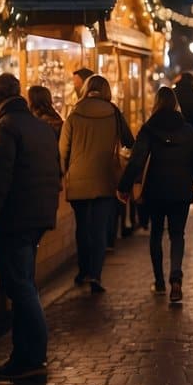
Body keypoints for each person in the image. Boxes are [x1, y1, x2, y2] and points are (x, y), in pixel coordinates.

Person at [0, 73, 62, 378]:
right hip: (38, 214)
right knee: (25, 283)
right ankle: (22, 355)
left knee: (20, 286)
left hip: (16, 217)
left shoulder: (7, 126)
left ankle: (36, 353)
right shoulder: (40, 126)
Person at [118, 87, 193, 303]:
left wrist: (124, 186)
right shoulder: (187, 130)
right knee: (177, 235)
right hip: (181, 192)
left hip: (155, 191)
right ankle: (175, 278)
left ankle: (159, 281)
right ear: (175, 104)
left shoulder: (149, 129)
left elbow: (136, 161)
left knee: (156, 233)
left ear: (157, 103)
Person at [58, 74, 134, 294]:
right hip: (105, 177)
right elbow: (130, 141)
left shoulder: (74, 114)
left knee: (82, 227)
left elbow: (62, 150)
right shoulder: (115, 113)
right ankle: (96, 275)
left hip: (78, 179)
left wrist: (62, 175)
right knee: (100, 228)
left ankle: (83, 270)